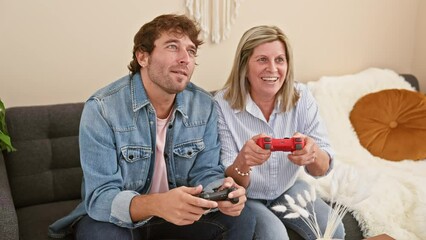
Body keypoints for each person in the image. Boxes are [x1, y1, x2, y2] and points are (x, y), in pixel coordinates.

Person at [48, 14, 255, 240]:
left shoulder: (204, 105)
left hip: (181, 218)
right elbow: (100, 198)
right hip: (122, 222)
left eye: (191, 51)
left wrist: (222, 192)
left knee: (242, 219)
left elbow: (205, 172)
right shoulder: (102, 109)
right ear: (143, 57)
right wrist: (158, 204)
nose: (186, 58)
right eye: (173, 47)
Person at [214, 25, 345, 240]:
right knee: (275, 237)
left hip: (288, 188)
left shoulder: (302, 96)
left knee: (334, 230)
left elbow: (323, 168)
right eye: (262, 59)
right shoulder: (221, 105)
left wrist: (312, 154)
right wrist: (244, 161)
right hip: (248, 197)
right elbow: (230, 181)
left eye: (280, 60)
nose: (273, 69)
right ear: (244, 67)